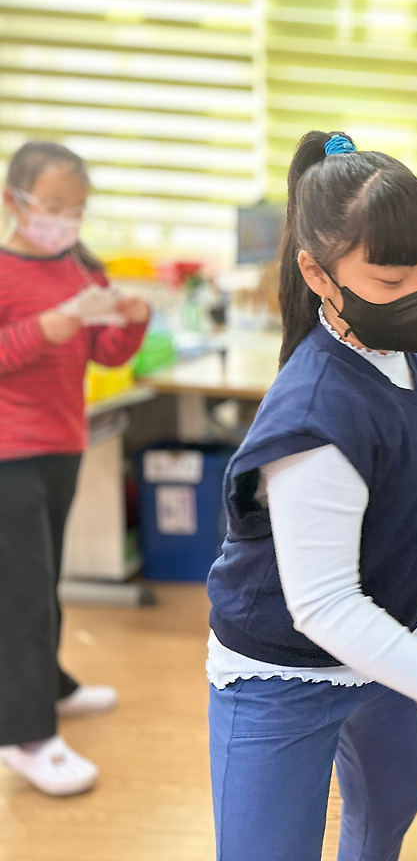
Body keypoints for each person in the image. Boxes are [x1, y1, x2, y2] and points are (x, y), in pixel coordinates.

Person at [205, 131, 417, 861]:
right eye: (391, 282)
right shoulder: (315, 415)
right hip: (286, 669)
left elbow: (405, 478)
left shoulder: (412, 357)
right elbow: (324, 604)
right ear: (318, 274)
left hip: (384, 642)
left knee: (390, 810)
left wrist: (416, 561)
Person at [0, 141, 150, 797]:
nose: (63, 220)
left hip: (61, 443)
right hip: (8, 453)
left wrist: (133, 322)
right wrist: (43, 329)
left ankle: (52, 687)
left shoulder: (77, 268)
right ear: (14, 200)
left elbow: (105, 351)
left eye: (75, 209)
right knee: (22, 596)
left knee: (45, 579)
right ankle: (27, 736)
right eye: (53, 206)